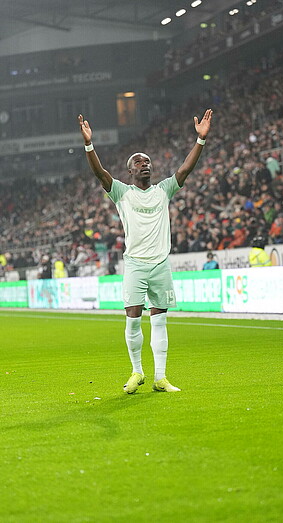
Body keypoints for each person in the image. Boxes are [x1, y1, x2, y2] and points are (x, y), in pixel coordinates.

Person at [78, 109, 213, 394]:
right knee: (132, 316)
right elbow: (100, 173)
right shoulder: (121, 192)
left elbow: (185, 169)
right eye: (139, 163)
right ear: (130, 171)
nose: (145, 165)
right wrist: (89, 145)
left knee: (160, 319)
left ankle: (160, 378)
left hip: (160, 264)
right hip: (136, 264)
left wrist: (200, 140)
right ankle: (137, 371)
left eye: (148, 162)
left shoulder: (164, 190)